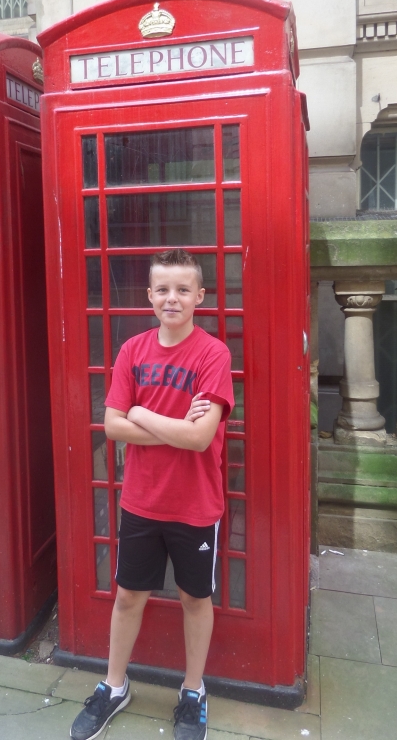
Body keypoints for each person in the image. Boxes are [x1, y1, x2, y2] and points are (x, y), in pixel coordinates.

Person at [71, 248, 234, 740]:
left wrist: (140, 414)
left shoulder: (213, 354)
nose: (172, 298)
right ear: (149, 296)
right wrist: (168, 424)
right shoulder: (133, 351)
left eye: (183, 289)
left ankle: (193, 690)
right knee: (127, 596)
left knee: (194, 598)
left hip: (195, 503)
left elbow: (199, 438)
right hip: (141, 500)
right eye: (162, 289)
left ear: (200, 296)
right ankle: (114, 685)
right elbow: (112, 426)